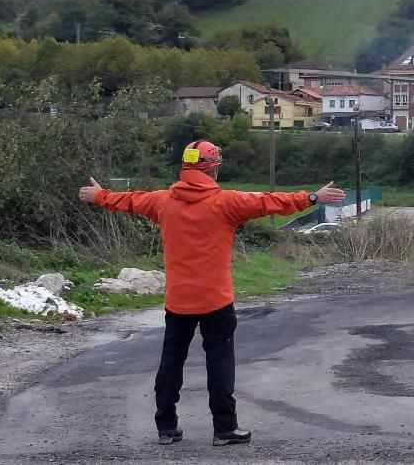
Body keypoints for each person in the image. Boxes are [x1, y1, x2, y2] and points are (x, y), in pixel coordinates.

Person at [78, 140, 345, 447]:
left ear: (186, 167)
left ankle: (166, 427)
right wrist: (312, 197)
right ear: (212, 168)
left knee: (171, 361)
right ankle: (224, 429)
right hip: (215, 300)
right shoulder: (226, 202)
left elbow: (130, 200)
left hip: (178, 300)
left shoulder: (162, 201)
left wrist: (99, 195)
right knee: (219, 363)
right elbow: (268, 201)